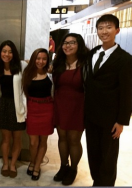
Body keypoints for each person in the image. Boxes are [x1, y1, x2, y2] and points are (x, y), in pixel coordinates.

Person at [84, 14, 132, 186]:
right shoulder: (93, 54)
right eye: (101, 27)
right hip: (91, 116)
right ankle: (97, 182)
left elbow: (127, 93)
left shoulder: (125, 59)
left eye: (109, 27)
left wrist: (121, 121)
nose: (104, 31)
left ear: (117, 30)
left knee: (109, 158)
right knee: (93, 154)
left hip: (111, 119)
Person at [52, 33, 89, 185]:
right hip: (60, 104)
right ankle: (63, 166)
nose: (67, 46)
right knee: (62, 138)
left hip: (78, 106)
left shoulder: (86, 63)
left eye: (72, 42)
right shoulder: (58, 62)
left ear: (79, 45)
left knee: (74, 140)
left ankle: (73, 169)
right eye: (65, 43)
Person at [0, 40, 27, 178]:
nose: (6, 54)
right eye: (4, 51)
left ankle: (13, 164)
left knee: (17, 138)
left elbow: (26, 87)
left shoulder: (22, 66)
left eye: (10, 51)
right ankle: (5, 164)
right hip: (3, 106)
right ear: (0, 53)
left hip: (18, 107)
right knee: (6, 138)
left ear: (14, 53)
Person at [22, 48, 54, 181]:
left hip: (47, 109)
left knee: (43, 140)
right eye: (38, 58)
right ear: (34, 59)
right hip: (32, 109)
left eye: (44, 59)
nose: (41, 61)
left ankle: (37, 166)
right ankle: (33, 161)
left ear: (47, 61)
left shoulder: (51, 74)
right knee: (33, 142)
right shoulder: (27, 73)